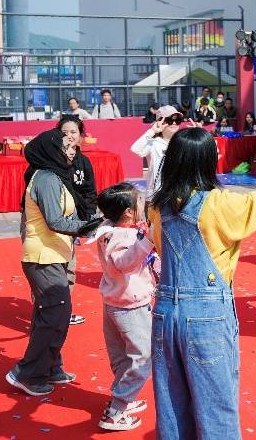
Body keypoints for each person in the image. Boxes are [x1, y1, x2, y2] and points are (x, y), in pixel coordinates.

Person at [147, 127, 256, 437]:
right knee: (216, 406)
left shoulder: (156, 205)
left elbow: (163, 250)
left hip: (164, 314)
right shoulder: (219, 204)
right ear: (207, 161)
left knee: (172, 406)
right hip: (206, 315)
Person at [6, 130, 102, 396]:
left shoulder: (55, 176)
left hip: (54, 254)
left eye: (73, 147)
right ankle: (27, 373)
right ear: (51, 151)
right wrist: (91, 227)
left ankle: (49, 367)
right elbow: (55, 221)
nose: (72, 152)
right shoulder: (46, 178)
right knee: (55, 314)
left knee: (51, 315)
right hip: (42, 257)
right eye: (66, 147)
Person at [89, 183, 156, 431]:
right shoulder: (123, 237)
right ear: (128, 212)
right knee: (144, 356)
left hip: (113, 302)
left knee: (122, 356)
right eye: (139, 203)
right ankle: (116, 409)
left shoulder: (108, 229)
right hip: (130, 306)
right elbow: (124, 263)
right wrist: (147, 241)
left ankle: (123, 399)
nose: (143, 206)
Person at [57, 115, 98, 326]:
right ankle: (44, 314)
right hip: (51, 224)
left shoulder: (84, 162)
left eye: (73, 132)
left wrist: (88, 220)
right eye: (64, 132)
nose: (69, 136)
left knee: (69, 269)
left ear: (81, 135)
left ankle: (63, 312)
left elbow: (90, 191)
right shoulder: (50, 161)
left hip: (73, 225)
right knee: (50, 270)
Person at [131, 106, 183, 201]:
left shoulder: (183, 143)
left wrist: (199, 136)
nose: (174, 123)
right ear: (160, 122)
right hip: (155, 197)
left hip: (178, 195)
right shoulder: (153, 143)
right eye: (169, 120)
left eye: (178, 120)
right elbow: (135, 149)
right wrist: (152, 131)